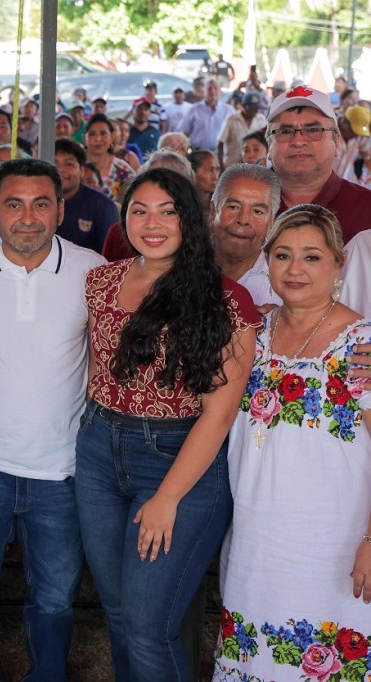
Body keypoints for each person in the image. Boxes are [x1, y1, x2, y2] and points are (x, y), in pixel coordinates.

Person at [75, 167, 259, 681]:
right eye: (139, 211)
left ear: (190, 220)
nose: (151, 223)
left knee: (149, 625)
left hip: (178, 459)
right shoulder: (100, 282)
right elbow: (96, 368)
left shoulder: (226, 300)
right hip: (97, 450)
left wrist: (168, 497)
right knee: (117, 612)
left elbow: (220, 413)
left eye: (167, 211)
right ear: (124, 217)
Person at [0, 158, 105, 682]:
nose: (28, 217)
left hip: (61, 469)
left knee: (56, 598)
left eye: (41, 204)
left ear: (61, 210)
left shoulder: (92, 271)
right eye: (14, 204)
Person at [214, 204, 371, 681]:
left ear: (338, 264)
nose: (295, 269)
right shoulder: (252, 335)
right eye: (282, 255)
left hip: (334, 544)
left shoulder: (361, 344)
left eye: (312, 257)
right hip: (257, 538)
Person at [266, 85, 371, 242]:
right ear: (269, 144)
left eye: (313, 130)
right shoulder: (242, 207)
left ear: (336, 142)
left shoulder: (366, 210)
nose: (298, 141)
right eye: (286, 131)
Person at [210, 163, 283, 306]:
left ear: (271, 222)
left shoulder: (283, 284)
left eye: (257, 211)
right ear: (213, 212)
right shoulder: (179, 267)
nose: (243, 220)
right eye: (233, 207)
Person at [54, 137, 118, 254]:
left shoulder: (101, 205)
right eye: (54, 163)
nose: (61, 169)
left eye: (69, 164)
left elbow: (112, 255)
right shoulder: (32, 201)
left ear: (82, 170)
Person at [84, 114, 136, 205]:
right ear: (84, 138)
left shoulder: (122, 170)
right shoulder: (75, 166)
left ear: (112, 137)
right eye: (92, 134)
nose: (98, 139)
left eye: (103, 133)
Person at [217, 92, 267, 169]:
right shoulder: (231, 120)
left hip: (255, 167)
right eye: (252, 108)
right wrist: (221, 166)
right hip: (232, 166)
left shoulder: (261, 120)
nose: (255, 111)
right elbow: (220, 143)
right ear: (243, 106)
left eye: (257, 108)